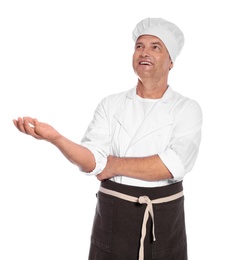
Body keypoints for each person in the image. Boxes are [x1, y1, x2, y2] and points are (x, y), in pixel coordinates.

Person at [13, 17, 202, 260]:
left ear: (171, 61)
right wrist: (56, 138)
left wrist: (111, 164)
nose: (144, 52)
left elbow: (172, 165)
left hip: (163, 219)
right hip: (115, 215)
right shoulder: (111, 105)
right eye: (139, 46)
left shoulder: (187, 109)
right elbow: (92, 162)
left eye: (156, 47)